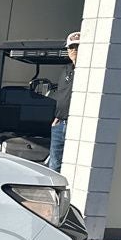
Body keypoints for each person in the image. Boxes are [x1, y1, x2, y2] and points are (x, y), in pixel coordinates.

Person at [47, 31, 80, 172]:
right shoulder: (66, 70)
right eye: (71, 47)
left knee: (73, 164)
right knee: (54, 165)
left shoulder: (91, 70)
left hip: (77, 124)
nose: (74, 51)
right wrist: (56, 117)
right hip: (60, 123)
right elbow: (62, 94)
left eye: (77, 47)